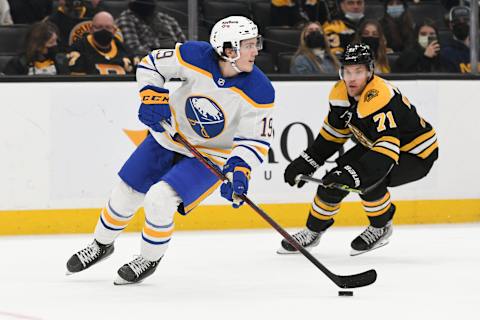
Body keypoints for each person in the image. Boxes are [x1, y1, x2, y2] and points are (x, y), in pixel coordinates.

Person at [65, 16, 275, 284]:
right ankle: (101, 245)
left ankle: (149, 259)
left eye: (255, 43)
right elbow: (151, 64)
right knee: (125, 192)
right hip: (169, 135)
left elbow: (254, 141)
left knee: (159, 199)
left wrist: (239, 169)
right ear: (228, 49)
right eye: (248, 44)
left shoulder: (261, 90)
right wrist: (152, 95)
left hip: (211, 156)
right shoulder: (194, 54)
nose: (256, 50)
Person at [279, 43, 438, 256]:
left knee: (370, 180)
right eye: (347, 71)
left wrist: (354, 175)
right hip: (377, 146)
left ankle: (381, 226)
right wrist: (306, 162)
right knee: (333, 180)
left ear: (370, 71)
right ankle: (312, 231)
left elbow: (387, 151)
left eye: (358, 72)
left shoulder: (379, 96)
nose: (351, 78)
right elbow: (331, 138)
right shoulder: (340, 95)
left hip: (416, 153)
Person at [67, 11, 133, 75]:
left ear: (114, 30)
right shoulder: (79, 48)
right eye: (99, 27)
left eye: (108, 27)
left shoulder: (123, 49)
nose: (103, 30)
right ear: (91, 30)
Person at [115, 0, 186, 58]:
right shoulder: (126, 19)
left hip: (176, 63)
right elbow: (134, 50)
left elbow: (185, 46)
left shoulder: (166, 19)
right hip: (148, 66)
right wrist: (158, 48)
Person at [3, 21, 69, 75]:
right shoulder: (18, 64)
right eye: (51, 42)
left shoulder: (60, 61)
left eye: (56, 41)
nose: (55, 45)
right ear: (37, 46)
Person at [440, 6, 478, 73]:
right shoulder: (446, 53)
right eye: (457, 21)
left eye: (466, 20)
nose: (462, 23)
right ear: (450, 25)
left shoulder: (477, 50)